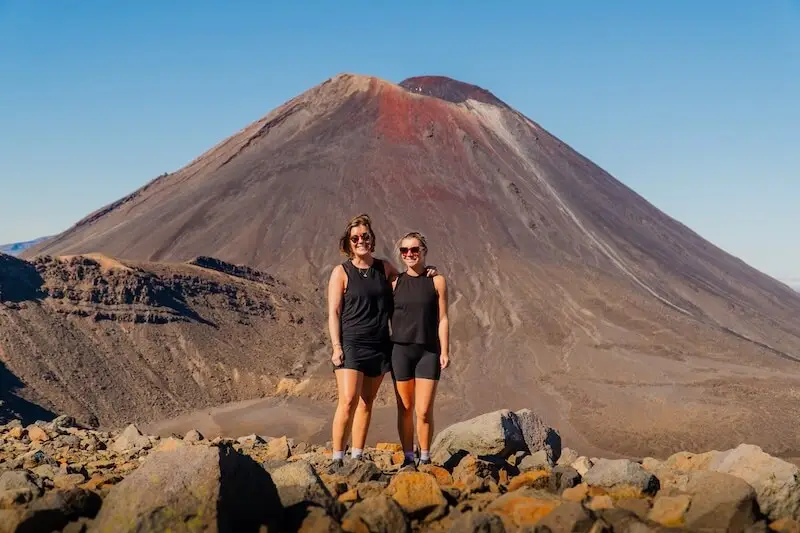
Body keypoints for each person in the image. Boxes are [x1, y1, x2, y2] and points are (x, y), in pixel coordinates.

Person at [326, 214, 438, 469]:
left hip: (379, 345)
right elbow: (333, 311)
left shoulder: (384, 268)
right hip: (352, 344)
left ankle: (357, 456)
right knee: (347, 400)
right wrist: (336, 346)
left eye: (365, 236)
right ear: (349, 243)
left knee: (367, 402)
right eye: (355, 238)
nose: (361, 241)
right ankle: (336, 458)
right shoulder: (341, 272)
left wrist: (429, 270)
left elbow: (410, 282)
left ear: (371, 239)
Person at [390, 232, 449, 469]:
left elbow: (443, 318)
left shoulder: (437, 281)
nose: (410, 254)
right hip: (400, 352)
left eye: (415, 250)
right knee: (405, 409)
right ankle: (408, 457)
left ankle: (425, 456)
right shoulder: (393, 282)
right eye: (404, 251)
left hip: (428, 352)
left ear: (424, 251)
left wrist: (445, 350)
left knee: (424, 410)